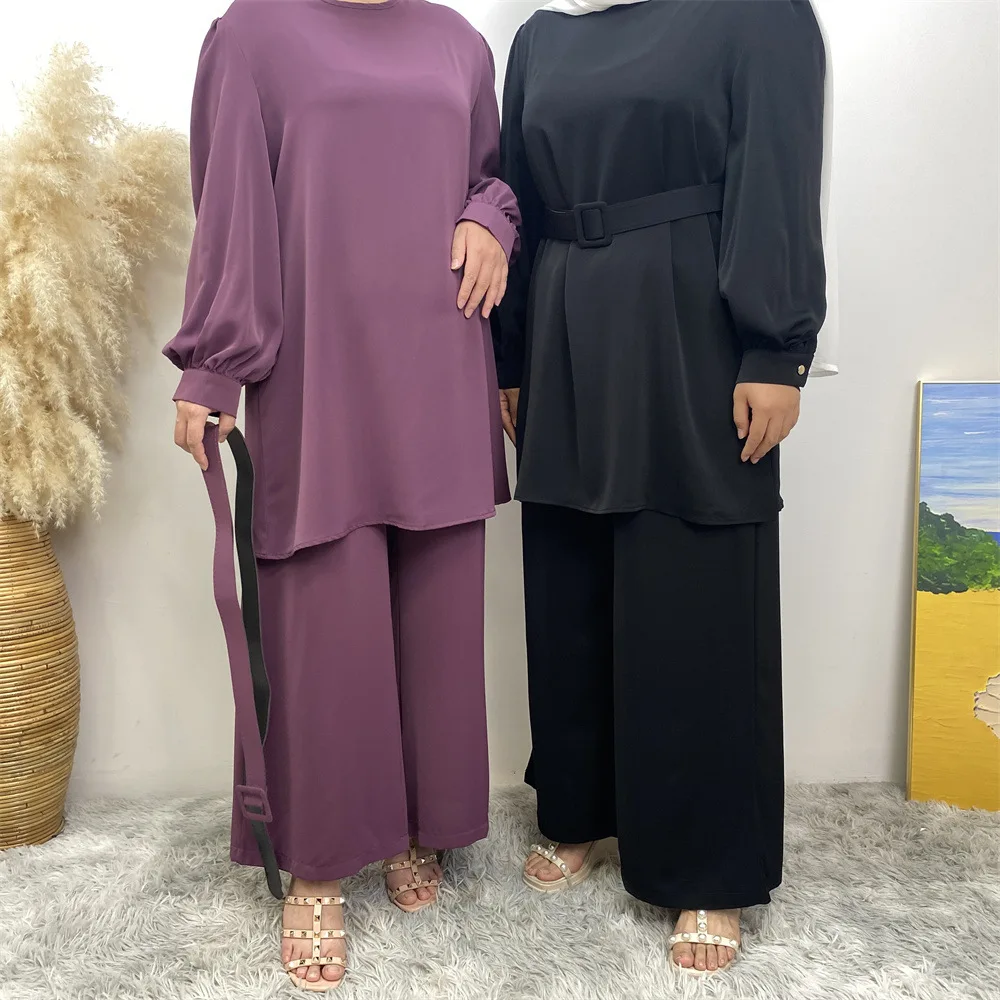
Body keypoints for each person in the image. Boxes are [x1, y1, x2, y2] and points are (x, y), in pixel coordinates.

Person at [164, 0, 519, 990]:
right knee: (324, 613)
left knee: (437, 616)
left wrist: (490, 220)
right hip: (320, 366)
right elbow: (232, 206)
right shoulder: (254, 34)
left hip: (441, 356)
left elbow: (491, 176)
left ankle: (412, 825)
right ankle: (319, 862)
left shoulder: (459, 42)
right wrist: (214, 364)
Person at [492, 0, 827, 978]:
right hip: (562, 322)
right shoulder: (541, 38)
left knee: (694, 589)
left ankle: (708, 861)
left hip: (691, 321)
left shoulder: (754, 14)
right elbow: (519, 196)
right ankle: (582, 807)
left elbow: (776, 172)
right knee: (568, 578)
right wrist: (509, 351)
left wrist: (775, 346)